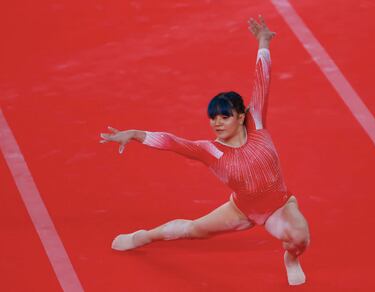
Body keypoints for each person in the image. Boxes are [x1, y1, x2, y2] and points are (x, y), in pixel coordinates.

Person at [100, 15, 310, 286]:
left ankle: (291, 259)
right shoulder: (209, 150)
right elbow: (172, 142)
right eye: (213, 118)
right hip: (241, 209)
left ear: (240, 115)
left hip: (279, 205)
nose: (217, 123)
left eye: (224, 116)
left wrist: (263, 41)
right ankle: (143, 236)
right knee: (191, 230)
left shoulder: (256, 121)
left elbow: (262, 79)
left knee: (300, 235)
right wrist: (135, 135)